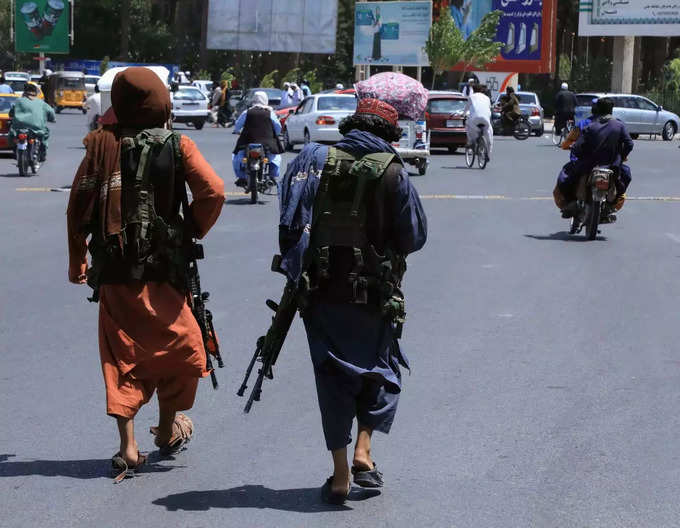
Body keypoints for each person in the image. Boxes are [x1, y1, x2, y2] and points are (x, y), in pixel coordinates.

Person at [66, 67, 225, 482]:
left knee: (121, 357)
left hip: (116, 272)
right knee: (184, 348)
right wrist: (188, 229)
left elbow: (76, 206)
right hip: (167, 272)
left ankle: (130, 446)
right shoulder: (177, 143)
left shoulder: (100, 146)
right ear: (161, 102)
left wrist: (76, 260)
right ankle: (164, 428)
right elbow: (214, 192)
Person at [277, 96, 427, 504]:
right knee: (379, 368)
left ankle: (341, 474)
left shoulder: (313, 160)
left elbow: (289, 222)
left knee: (332, 379)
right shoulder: (394, 172)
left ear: (351, 126)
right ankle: (365, 449)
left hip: (322, 294)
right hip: (375, 296)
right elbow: (414, 237)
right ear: (389, 135)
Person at [554, 97, 633, 218]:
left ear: (595, 110)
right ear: (611, 111)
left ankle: (570, 203)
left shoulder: (589, 126)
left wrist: (579, 153)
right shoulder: (619, 125)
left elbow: (577, 147)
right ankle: (611, 205)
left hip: (588, 166)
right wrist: (620, 157)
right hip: (613, 166)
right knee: (625, 176)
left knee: (565, 177)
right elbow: (629, 144)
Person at [232, 90, 282, 188]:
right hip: (267, 143)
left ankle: (241, 177)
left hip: (247, 141)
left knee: (238, 157)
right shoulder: (270, 112)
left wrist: (237, 131)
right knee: (275, 158)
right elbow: (278, 127)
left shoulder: (247, 112)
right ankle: (272, 177)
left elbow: (238, 125)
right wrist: (274, 134)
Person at [9, 82, 55, 162]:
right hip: (37, 129)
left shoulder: (18, 101)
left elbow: (11, 113)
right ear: (36, 93)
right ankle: (42, 154)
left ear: (25, 92)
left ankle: (14, 151)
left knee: (12, 135)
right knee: (45, 135)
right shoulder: (41, 103)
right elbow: (51, 112)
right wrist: (52, 119)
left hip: (19, 128)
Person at [464, 84, 493, 159]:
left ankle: (470, 142)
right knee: (489, 136)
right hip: (486, 120)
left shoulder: (471, 97)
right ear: (482, 90)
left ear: (473, 90)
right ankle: (488, 154)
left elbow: (466, 108)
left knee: (467, 123)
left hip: (475, 120)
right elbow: (489, 108)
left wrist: (463, 114)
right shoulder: (487, 98)